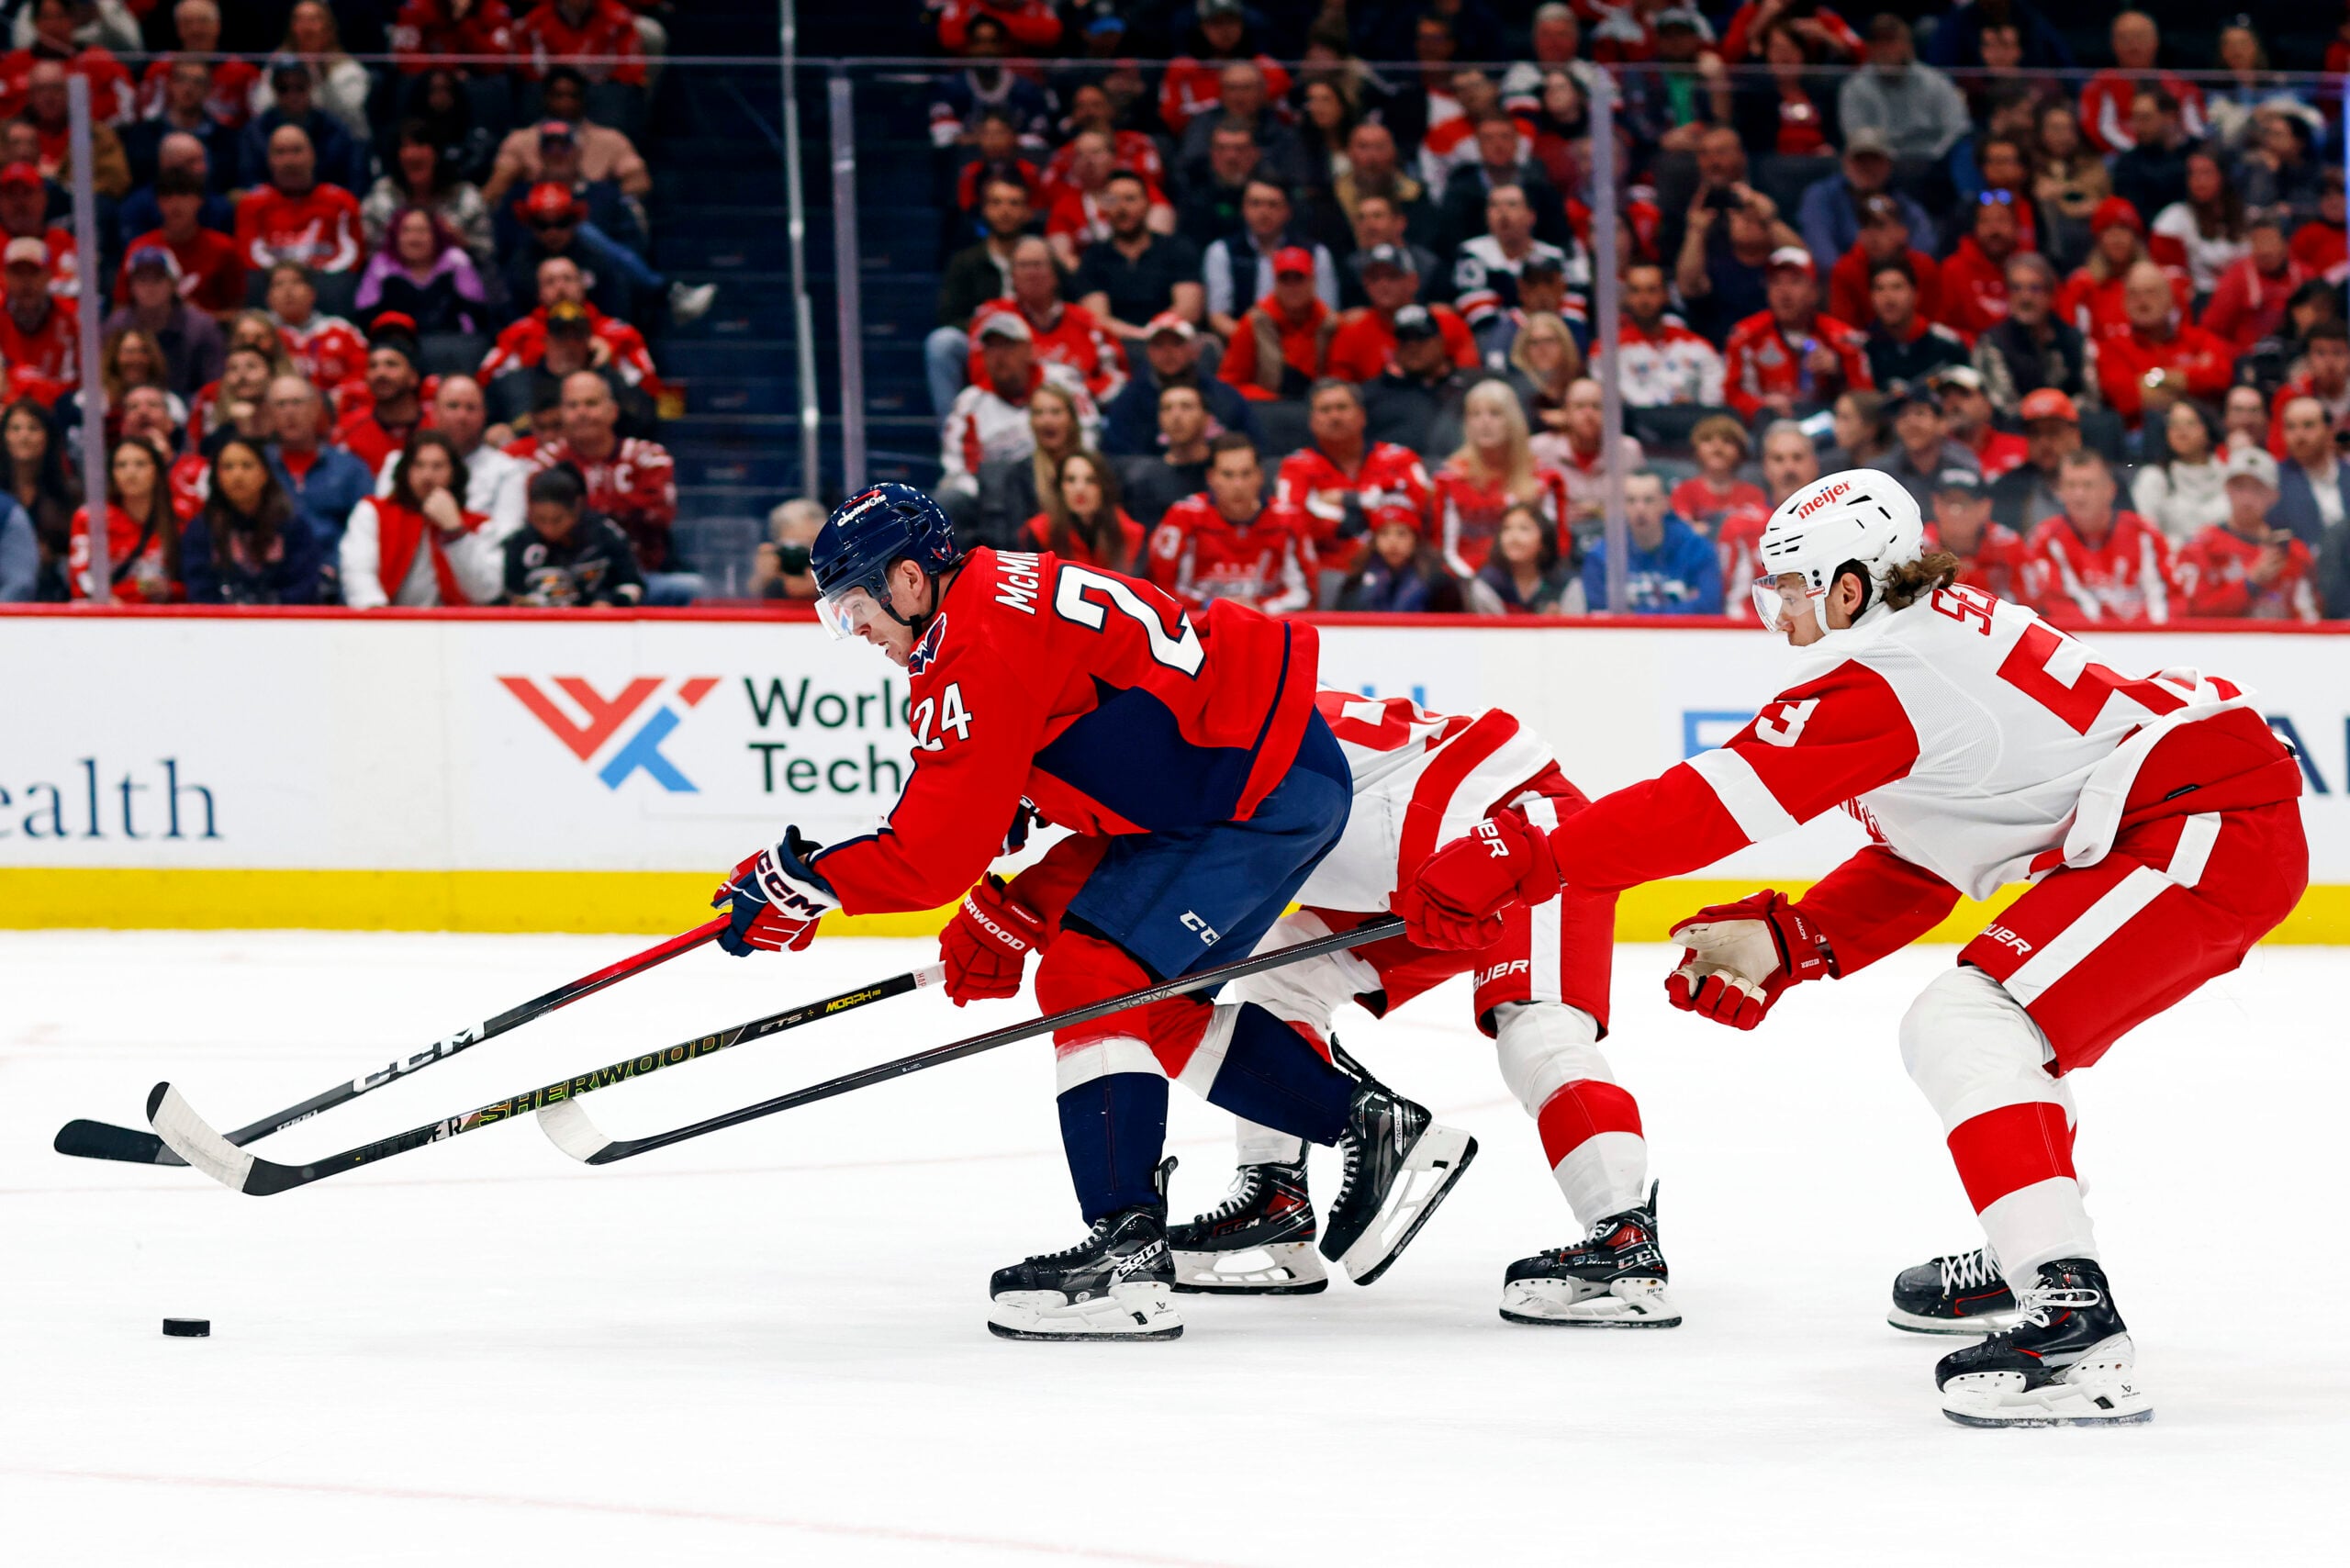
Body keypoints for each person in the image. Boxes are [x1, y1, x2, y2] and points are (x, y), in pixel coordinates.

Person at [1397, 466, 2304, 1425]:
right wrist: (1792, 941)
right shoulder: (1924, 642)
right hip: (2193, 825)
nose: (1775, 609)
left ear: (1847, 586)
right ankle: (2030, 1254)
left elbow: (1703, 807)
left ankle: (2073, 1322)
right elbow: (1922, 861)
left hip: (2203, 832)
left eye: (1789, 587)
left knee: (1968, 1020)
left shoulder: (1888, 674)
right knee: (1996, 1027)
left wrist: (1526, 854)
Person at [734, 480, 1467, 1339]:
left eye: (857, 605)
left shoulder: (972, 642)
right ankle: (1369, 1127)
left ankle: (1125, 1260)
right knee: (1146, 1006)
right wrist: (1027, 800)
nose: (856, 630)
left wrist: (805, 881)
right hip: (1261, 775)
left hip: (1241, 795)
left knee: (1090, 976)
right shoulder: (995, 589)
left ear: (906, 581)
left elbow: (931, 858)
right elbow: (1089, 713)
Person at [524, 368, 688, 600]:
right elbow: (539, 522)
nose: (582, 413)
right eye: (573, 405)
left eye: (591, 403)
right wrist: (621, 509)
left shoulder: (649, 457)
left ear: (613, 411)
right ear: (562, 413)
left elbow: (659, 516)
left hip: (645, 575)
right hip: (567, 581)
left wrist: (585, 514)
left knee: (688, 588)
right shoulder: (546, 461)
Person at [939, 315, 1098, 515]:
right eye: (991, 347)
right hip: (996, 497)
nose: (999, 356)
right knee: (949, 500)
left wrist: (1068, 477)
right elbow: (957, 469)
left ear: (1028, 349)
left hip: (1060, 482)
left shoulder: (1062, 382)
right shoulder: (969, 403)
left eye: (1008, 346)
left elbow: (1088, 435)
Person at [1274, 378, 1429, 577]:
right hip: (1329, 570)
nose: (1335, 416)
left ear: (1362, 416)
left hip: (1397, 566)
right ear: (1312, 421)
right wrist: (1378, 501)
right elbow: (1292, 527)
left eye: (1342, 407)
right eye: (1325, 410)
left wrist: (1345, 501)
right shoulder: (1295, 466)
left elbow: (1421, 508)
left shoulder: (1399, 457)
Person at [1146, 433, 1311, 615]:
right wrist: (1209, 605)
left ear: (1260, 476)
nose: (1238, 485)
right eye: (1228, 475)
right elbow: (1161, 590)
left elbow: (1305, 594)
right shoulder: (1183, 517)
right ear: (1211, 477)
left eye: (1246, 474)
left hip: (1267, 624)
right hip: (1196, 626)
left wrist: (1261, 608)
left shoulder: (1288, 520)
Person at [343, 429, 504, 608]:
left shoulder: (478, 525)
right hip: (387, 623)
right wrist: (379, 616)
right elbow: (358, 572)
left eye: (437, 466)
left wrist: (455, 532)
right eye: (419, 465)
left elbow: (486, 591)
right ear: (406, 470)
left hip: (455, 628)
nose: (427, 475)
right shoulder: (372, 513)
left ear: (454, 473)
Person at [2022, 450, 2179, 625]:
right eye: (2070, 485)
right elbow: (2056, 604)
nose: (2078, 494)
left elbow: (2169, 597)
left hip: (2147, 642)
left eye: (2088, 485)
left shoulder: (2144, 533)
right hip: (2082, 644)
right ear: (2060, 491)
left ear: (2110, 490)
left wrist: (2146, 637)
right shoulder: (2044, 540)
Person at [1432, 380, 1567, 578]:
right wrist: (1475, 583)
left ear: (1513, 420)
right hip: (1465, 583)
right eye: (1475, 414)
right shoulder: (1450, 480)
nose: (1484, 422)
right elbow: (1442, 550)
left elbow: (1555, 546)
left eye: (1495, 414)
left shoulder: (1543, 479)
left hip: (1529, 583)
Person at [376, 375, 527, 548]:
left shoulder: (508, 470)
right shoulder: (400, 463)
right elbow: (384, 527)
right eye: (452, 406)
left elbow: (507, 538)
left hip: (475, 566)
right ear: (434, 412)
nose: (461, 416)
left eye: (471, 408)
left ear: (484, 414)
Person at [1722, 248, 1869, 424]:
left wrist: (1839, 370)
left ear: (1814, 292)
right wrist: (1759, 405)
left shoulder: (1842, 338)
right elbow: (1730, 394)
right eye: (1776, 282)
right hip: (1766, 425)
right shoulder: (1744, 335)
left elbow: (1866, 400)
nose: (1784, 292)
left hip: (1826, 426)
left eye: (1795, 282)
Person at [180, 435, 329, 604]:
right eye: (227, 467)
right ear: (216, 476)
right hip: (220, 624)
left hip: (282, 623)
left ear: (264, 473)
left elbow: (303, 585)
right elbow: (199, 588)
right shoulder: (201, 529)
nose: (237, 475)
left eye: (247, 466)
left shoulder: (291, 526)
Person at [928, 176, 1031, 420]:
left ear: (1028, 211)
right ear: (985, 210)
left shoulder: (1040, 257)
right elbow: (949, 316)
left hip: (1036, 340)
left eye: (1014, 203)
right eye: (996, 203)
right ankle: (954, 434)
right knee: (942, 343)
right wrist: (990, 330)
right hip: (983, 341)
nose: (1005, 211)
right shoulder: (965, 262)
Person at [2177, 445, 2318, 621]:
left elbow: (2310, 616)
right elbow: (2191, 613)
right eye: (2239, 487)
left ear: (2273, 495)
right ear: (2227, 488)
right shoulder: (2200, 547)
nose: (2247, 498)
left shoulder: (2294, 553)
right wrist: (2250, 582)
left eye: (2258, 489)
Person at [1098, 313, 1259, 461]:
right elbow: (1117, 459)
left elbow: (1254, 448)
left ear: (1195, 350)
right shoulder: (1129, 401)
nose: (1167, 352)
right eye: (1159, 345)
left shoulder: (1223, 397)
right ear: (1148, 352)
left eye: (1176, 343)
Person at [2094, 262, 2232, 432]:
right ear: (2124, 303)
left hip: (2202, 431)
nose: (2142, 302)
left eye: (2151, 292)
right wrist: (2189, 381)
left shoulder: (2199, 339)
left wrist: (2156, 378)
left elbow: (2219, 378)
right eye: (2133, 295)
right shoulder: (2112, 349)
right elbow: (2126, 399)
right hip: (2143, 436)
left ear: (2170, 299)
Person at [482, 66, 649, 207]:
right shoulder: (520, 140)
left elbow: (638, 180)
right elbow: (497, 185)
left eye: (573, 96)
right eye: (558, 96)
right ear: (545, 98)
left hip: (594, 214)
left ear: (584, 99)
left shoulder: (611, 140)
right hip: (538, 218)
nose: (566, 103)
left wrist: (610, 206)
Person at [1071, 171, 1203, 346]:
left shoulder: (1177, 249)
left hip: (1172, 341)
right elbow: (1098, 318)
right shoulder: (1093, 257)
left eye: (1130, 199)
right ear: (1104, 207)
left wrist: (1155, 335)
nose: (1122, 208)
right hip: (1117, 346)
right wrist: (1141, 336)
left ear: (1147, 204)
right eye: (1113, 200)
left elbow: (1189, 309)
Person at [1203, 178, 1335, 342]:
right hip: (1242, 341)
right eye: (1255, 204)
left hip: (1303, 343)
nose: (1264, 213)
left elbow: (1327, 313)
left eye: (1273, 205)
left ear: (1288, 211)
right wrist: (1257, 342)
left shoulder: (1315, 253)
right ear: (1243, 208)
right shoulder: (1222, 251)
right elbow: (1218, 317)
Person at [1325, 243, 1475, 383]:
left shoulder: (1446, 323)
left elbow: (1470, 376)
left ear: (1413, 281)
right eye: (1375, 278)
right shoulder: (1351, 332)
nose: (1383, 285)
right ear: (1365, 284)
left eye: (1392, 276)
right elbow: (1338, 388)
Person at [500, 460, 643, 607]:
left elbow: (632, 583)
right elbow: (513, 593)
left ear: (576, 509)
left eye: (557, 520)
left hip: (602, 622)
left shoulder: (605, 533)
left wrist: (611, 602)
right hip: (542, 624)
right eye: (540, 520)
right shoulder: (520, 543)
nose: (548, 529)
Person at [1577, 470, 1722, 614]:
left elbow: (1708, 607)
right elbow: (1599, 613)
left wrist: (1635, 616)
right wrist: (1683, 608)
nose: (1640, 509)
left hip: (1685, 636)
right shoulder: (1601, 556)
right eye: (1631, 500)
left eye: (1648, 500)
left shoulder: (1697, 549)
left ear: (1665, 504)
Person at [1797, 127, 1934, 274]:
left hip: (1893, 285)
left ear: (1889, 165)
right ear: (1845, 163)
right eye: (1860, 160)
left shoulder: (1903, 203)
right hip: (1840, 284)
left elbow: (1925, 250)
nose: (1867, 168)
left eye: (1875, 160)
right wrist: (1854, 280)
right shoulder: (1821, 195)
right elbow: (1822, 252)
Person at [1836, 15, 1967, 168]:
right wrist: (1887, 159)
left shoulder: (1935, 82)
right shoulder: (1855, 87)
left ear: (1907, 45)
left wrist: (1937, 156)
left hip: (1934, 162)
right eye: (1878, 43)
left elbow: (1957, 127)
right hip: (1880, 166)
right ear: (1869, 48)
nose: (1885, 50)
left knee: (1964, 153)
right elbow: (1856, 135)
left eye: (1891, 42)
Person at [235, 123, 364, 275]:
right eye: (280, 152)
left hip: (330, 290)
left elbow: (353, 260)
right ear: (269, 160)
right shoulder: (252, 204)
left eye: (297, 150)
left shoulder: (342, 202)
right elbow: (248, 261)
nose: (289, 161)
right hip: (271, 292)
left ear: (312, 155)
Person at [66, 435, 183, 602]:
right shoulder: (90, 518)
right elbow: (79, 579)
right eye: (121, 465)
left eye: (140, 464)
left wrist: (170, 590)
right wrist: (104, 599)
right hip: (106, 615)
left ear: (157, 471)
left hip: (161, 618)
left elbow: (196, 581)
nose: (130, 472)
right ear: (112, 473)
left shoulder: (179, 518)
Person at [1972, 254, 2088, 419]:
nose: (2025, 298)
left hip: (2070, 428)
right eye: (2016, 288)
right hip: (2018, 432)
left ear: (2050, 295)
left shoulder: (2072, 338)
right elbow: (2004, 408)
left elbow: (2090, 398)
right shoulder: (1993, 343)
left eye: (2035, 289)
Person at [1601, 262, 1724, 416]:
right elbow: (1618, 397)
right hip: (1638, 428)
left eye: (1652, 290)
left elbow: (1715, 396)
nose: (1644, 299)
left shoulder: (1698, 346)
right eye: (1635, 291)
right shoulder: (1607, 349)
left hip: (1694, 424)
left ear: (1666, 294)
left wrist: (1694, 409)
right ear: (1627, 297)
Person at [119, 167, 243, 319]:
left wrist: (198, 319)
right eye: (167, 196)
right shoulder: (139, 248)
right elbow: (121, 309)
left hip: (207, 337)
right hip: (148, 336)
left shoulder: (224, 249)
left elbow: (237, 313)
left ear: (200, 200)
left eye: (184, 194)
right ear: (158, 203)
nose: (175, 204)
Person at [263, 374, 373, 543]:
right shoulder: (257, 466)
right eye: (281, 404)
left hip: (334, 564)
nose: (289, 412)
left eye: (297, 402)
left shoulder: (350, 469)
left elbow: (367, 533)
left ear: (315, 409)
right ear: (269, 413)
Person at [1360, 306, 1480, 460]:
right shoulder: (1370, 395)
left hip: (1464, 474)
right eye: (1405, 340)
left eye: (1420, 338)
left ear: (1440, 342)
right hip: (1397, 479)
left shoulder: (1473, 387)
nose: (1412, 347)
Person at [1215, 246, 1335, 401]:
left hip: (1321, 408)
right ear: (1275, 282)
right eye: (1284, 279)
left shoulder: (1330, 324)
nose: (1292, 287)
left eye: (1299, 278)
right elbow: (1229, 384)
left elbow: (1343, 379)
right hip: (1268, 411)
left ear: (1313, 281)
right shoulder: (1253, 323)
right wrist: (1272, 400)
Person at [102, 244, 222, 398]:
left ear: (173, 284)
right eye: (142, 279)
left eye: (158, 278)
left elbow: (214, 383)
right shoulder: (116, 325)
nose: (149, 287)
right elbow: (105, 377)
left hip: (189, 409)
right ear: (131, 286)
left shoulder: (201, 327)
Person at [356, 207, 487, 338]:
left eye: (422, 231)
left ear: (436, 235)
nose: (414, 238)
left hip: (450, 344)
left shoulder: (455, 261)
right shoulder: (382, 264)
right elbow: (365, 315)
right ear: (395, 236)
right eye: (406, 231)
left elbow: (478, 313)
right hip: (397, 344)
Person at [1827, 194, 1944, 340]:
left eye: (1880, 226)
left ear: (1902, 232)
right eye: (1865, 226)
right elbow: (1844, 331)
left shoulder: (1924, 267)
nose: (1871, 235)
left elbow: (1937, 323)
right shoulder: (1846, 270)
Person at [1545, 375, 1645, 540]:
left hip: (1613, 540)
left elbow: (1640, 505)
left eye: (1597, 406)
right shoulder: (1541, 449)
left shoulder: (1628, 450)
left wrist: (1600, 511)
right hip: (1556, 540)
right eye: (1579, 406)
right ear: (1565, 412)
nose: (1589, 414)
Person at [1335, 494, 1464, 612]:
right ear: (1374, 540)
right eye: (1384, 533)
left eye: (1401, 534)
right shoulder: (1357, 580)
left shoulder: (1437, 581)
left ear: (1415, 539)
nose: (1393, 542)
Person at [2148, 151, 2247, 306]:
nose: (2199, 181)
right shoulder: (2174, 219)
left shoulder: (2245, 217)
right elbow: (2169, 277)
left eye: (2206, 173)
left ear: (2223, 176)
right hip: (2198, 302)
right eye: (2193, 175)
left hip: (2242, 300)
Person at [1023, 447, 1142, 572]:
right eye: (1070, 480)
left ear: (1104, 487)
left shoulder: (1129, 532)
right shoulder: (1038, 532)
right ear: (1060, 487)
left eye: (1091, 480)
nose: (1080, 489)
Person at [333, 319, 428, 474]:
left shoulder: (437, 425)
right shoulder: (348, 430)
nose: (380, 373)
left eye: (391, 365)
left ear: (413, 377)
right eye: (373, 366)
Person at [1922, 465, 2029, 600]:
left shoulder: (2009, 544)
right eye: (1949, 502)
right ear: (1935, 504)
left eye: (1965, 503)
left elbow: (2033, 601)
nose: (1956, 512)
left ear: (1985, 507)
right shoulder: (1919, 547)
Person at [265, 263, 367, 405]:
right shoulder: (261, 333)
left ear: (312, 293)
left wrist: (334, 399)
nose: (288, 291)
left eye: (296, 282)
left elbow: (363, 375)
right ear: (268, 298)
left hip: (339, 412)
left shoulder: (342, 330)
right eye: (279, 284)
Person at [1119, 380, 1216, 528]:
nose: (1176, 416)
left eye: (1186, 407)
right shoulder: (1145, 482)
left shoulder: (1227, 473)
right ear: (1159, 419)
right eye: (1167, 408)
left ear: (1207, 418)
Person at [2130, 400, 2229, 543]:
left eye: (2190, 423)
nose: (2181, 430)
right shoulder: (2154, 477)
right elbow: (2146, 534)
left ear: (2207, 429)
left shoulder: (2229, 475)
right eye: (2174, 424)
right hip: (2173, 559)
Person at [1868, 386, 1977, 511]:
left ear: (1942, 423)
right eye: (1902, 415)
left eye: (1920, 413)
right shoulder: (1881, 473)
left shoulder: (1963, 463)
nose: (1911, 423)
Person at [1861, 262, 1968, 389]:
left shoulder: (1946, 344)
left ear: (1916, 295)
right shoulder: (1864, 348)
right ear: (1871, 298)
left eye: (1897, 287)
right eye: (1879, 289)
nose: (1888, 298)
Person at [2269, 394, 2350, 548]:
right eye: (2291, 427)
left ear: (2329, 431)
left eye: (2308, 425)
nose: (2299, 435)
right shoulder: (2275, 481)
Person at [1670, 415, 1767, 538]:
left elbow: (1756, 532)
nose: (1717, 447)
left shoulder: (1753, 495)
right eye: (1707, 439)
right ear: (1696, 450)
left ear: (1741, 452)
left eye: (1727, 441)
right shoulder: (1684, 491)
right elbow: (1682, 531)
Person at [1475, 499, 1578, 614]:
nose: (1513, 537)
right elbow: (1490, 630)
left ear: (1544, 541)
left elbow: (1578, 629)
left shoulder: (1566, 584)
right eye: (1506, 529)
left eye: (1524, 529)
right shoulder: (1489, 581)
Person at [753, 497, 822, 601]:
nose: (799, 555)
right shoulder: (773, 575)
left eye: (809, 545)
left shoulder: (838, 570)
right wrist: (761, 580)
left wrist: (822, 585)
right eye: (793, 547)